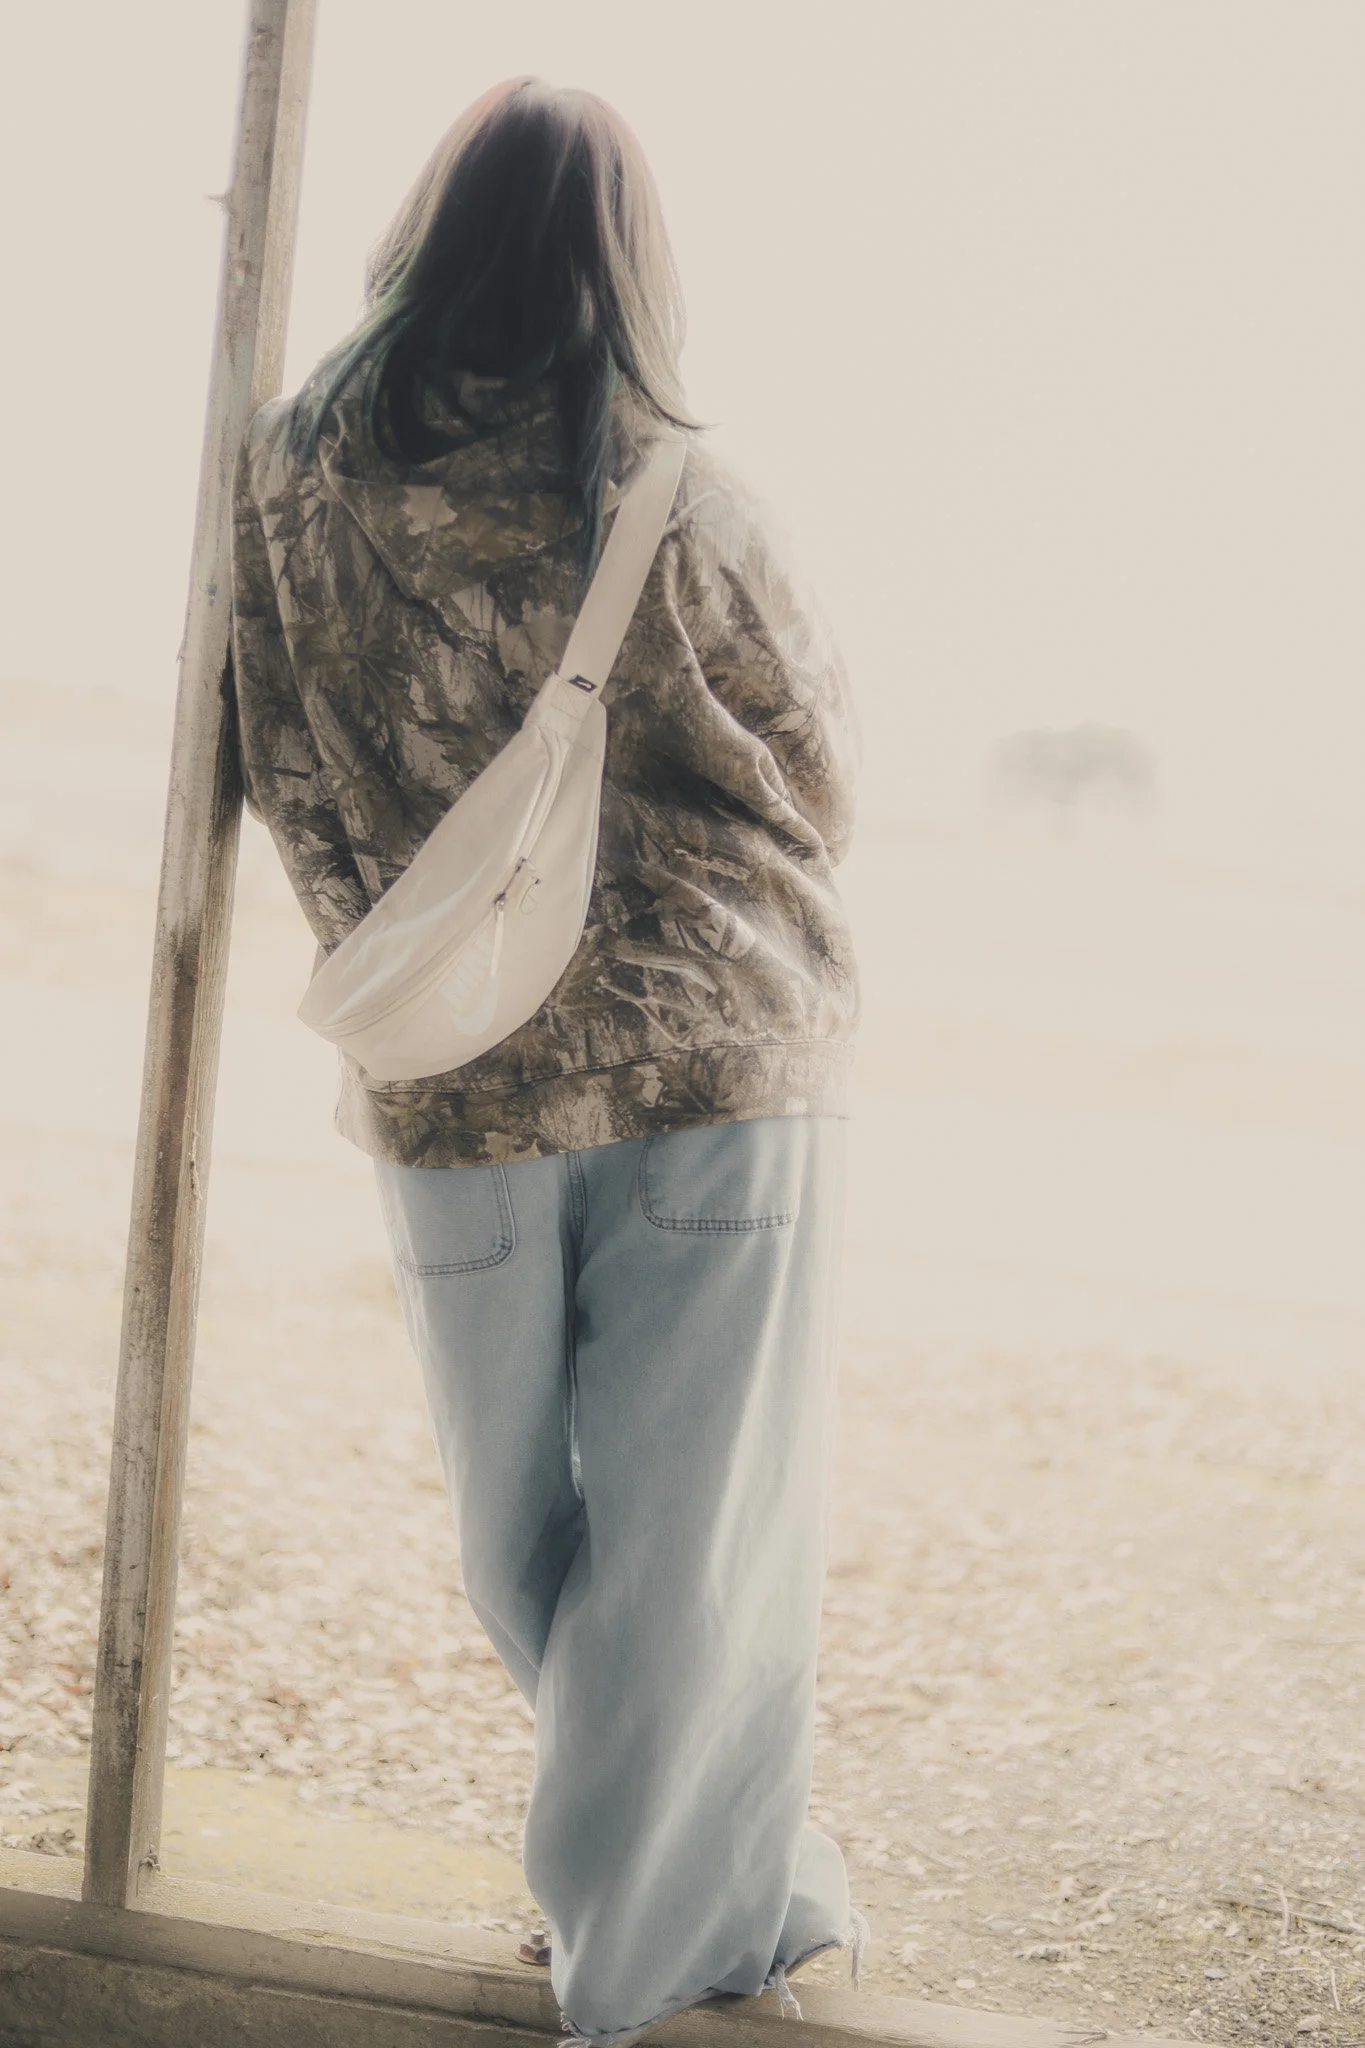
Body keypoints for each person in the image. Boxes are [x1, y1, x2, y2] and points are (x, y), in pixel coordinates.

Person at [229, 75, 862, 2047]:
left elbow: (266, 753)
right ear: (626, 260)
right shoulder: (677, 488)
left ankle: (728, 1896)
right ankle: (654, 1960)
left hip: (453, 1079)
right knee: (696, 1534)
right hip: (709, 1065)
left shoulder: (288, 477)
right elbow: (813, 773)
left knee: (527, 1530)